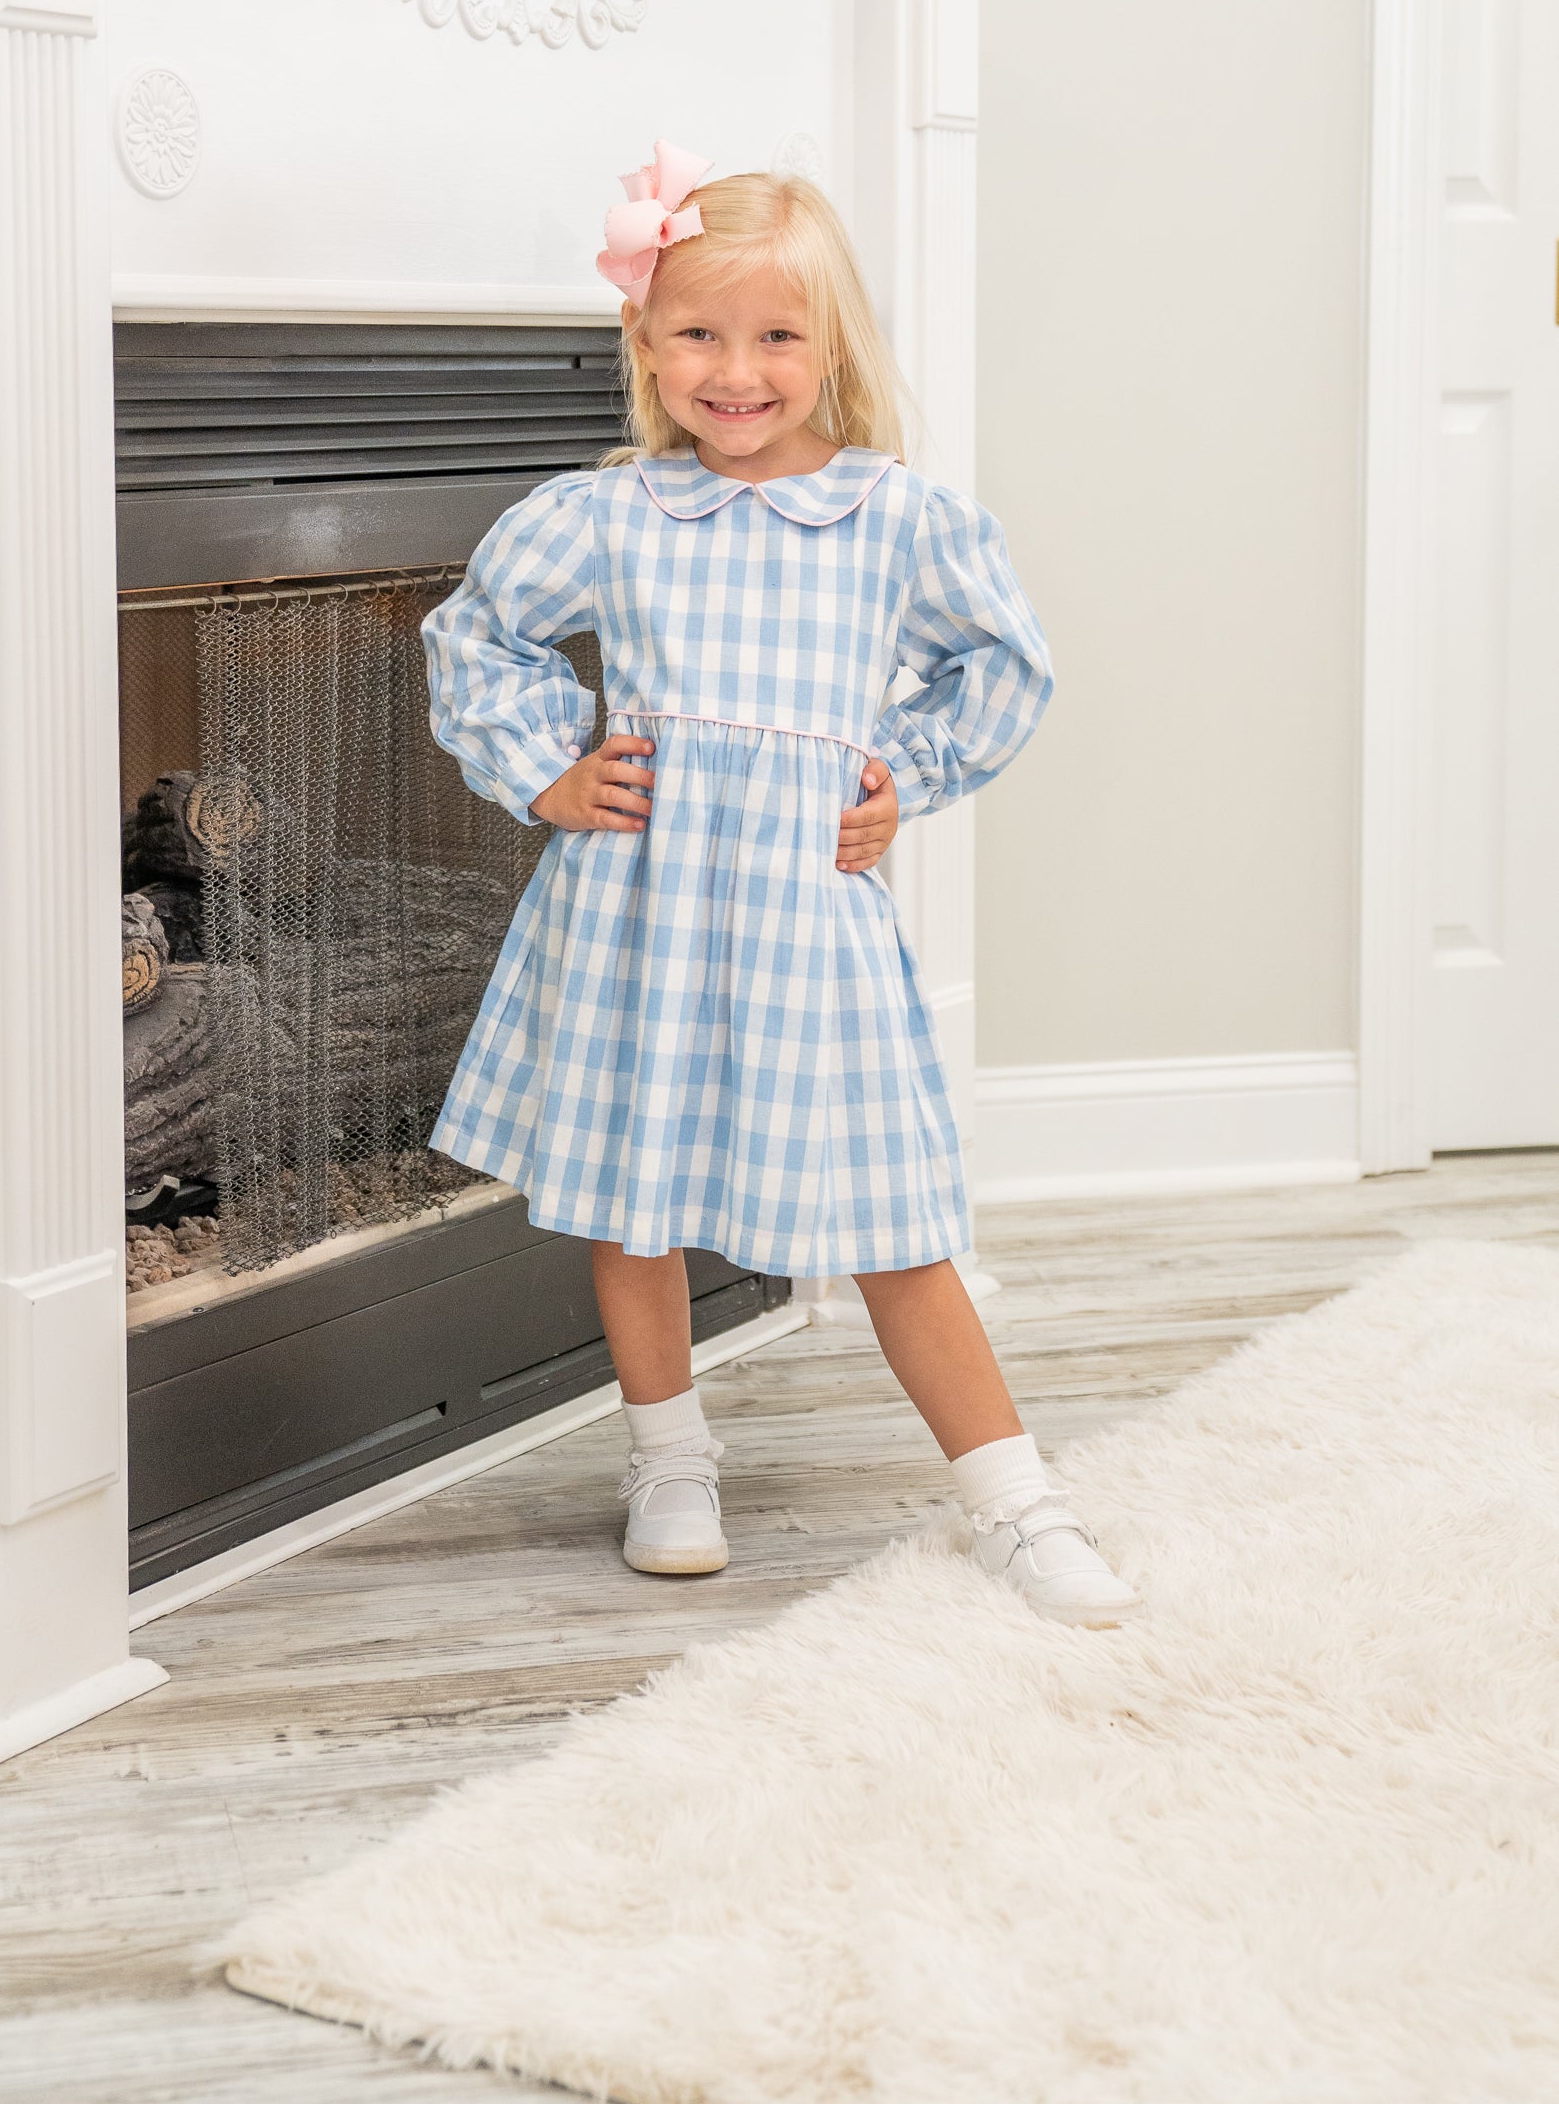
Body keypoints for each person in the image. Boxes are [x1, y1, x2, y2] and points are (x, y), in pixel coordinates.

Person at [422, 140, 1140, 1629]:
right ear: (646, 340)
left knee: (896, 1221)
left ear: (831, 347)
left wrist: (900, 778)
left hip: (808, 929)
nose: (733, 370)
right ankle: (670, 1460)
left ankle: (1014, 1497)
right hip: (640, 914)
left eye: (774, 336)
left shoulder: (896, 519)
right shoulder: (609, 516)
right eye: (696, 332)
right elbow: (473, 635)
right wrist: (552, 769)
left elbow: (1004, 666)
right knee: (635, 1205)